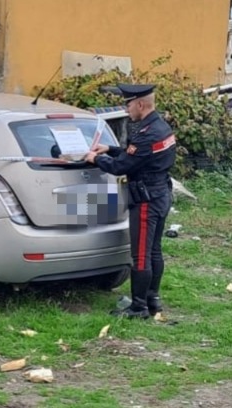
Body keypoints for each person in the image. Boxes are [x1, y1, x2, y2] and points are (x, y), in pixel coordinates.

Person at [83, 84, 176, 319]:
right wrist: (112, 149)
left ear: (140, 104)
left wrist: (96, 158)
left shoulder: (146, 134)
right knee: (154, 250)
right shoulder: (161, 127)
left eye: (128, 104)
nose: (126, 109)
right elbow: (137, 156)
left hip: (146, 201)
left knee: (141, 254)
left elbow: (121, 166)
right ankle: (152, 298)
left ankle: (138, 307)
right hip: (161, 193)